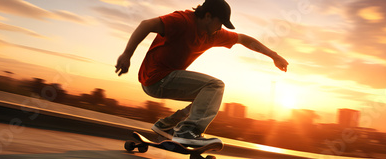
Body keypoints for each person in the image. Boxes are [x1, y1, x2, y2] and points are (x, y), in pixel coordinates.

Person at [115, 0, 288, 147]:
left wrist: (274, 55)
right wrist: (126, 55)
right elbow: (147, 24)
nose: (220, 28)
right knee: (215, 85)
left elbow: (243, 39)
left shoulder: (213, 34)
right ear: (207, 16)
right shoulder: (182, 20)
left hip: (163, 80)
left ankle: (166, 125)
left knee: (206, 99)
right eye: (219, 23)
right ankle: (187, 131)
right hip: (156, 77)